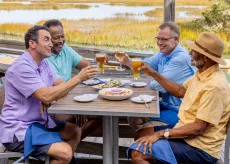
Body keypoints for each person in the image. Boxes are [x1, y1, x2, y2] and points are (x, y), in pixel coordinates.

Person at [127, 32, 230, 164]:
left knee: (138, 153)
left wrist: (161, 134)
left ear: (205, 57)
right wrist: (152, 73)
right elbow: (180, 90)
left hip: (200, 148)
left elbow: (198, 128)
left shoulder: (214, 86)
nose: (190, 53)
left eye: (194, 50)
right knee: (142, 133)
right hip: (185, 132)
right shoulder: (201, 74)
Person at [0, 25, 98, 163]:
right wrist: (79, 78)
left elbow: (60, 86)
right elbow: (46, 95)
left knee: (74, 131)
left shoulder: (44, 63)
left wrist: (50, 98)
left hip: (40, 123)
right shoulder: (21, 67)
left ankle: (60, 160)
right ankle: (62, 157)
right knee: (65, 152)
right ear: (32, 43)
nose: (51, 44)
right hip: (20, 130)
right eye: (46, 39)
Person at [122, 21, 195, 130]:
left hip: (180, 110)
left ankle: (147, 141)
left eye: (164, 39)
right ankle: (144, 142)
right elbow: (145, 65)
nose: (160, 42)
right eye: (158, 38)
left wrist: (152, 73)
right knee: (133, 116)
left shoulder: (180, 58)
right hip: (165, 103)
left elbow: (156, 85)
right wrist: (128, 62)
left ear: (176, 39)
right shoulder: (163, 53)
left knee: (146, 128)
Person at [43, 19, 103, 139]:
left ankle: (71, 146)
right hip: (52, 105)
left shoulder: (66, 49)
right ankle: (65, 148)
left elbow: (87, 66)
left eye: (62, 36)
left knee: (99, 116)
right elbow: (56, 91)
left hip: (69, 99)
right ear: (47, 40)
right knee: (66, 118)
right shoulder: (43, 58)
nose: (60, 41)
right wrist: (76, 110)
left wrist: (99, 61)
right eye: (56, 38)